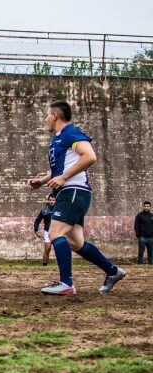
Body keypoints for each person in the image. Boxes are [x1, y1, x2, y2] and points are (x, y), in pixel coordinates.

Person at [27, 100, 125, 295]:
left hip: (73, 191)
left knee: (55, 234)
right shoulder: (57, 139)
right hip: (71, 191)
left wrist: (63, 178)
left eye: (47, 115)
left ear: (55, 115)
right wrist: (43, 181)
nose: (46, 119)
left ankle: (66, 284)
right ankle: (113, 271)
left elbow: (90, 156)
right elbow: (60, 168)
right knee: (76, 243)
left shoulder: (70, 132)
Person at [34, 194, 56, 266]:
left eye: (53, 200)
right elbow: (37, 220)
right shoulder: (44, 210)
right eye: (50, 200)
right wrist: (36, 230)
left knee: (60, 249)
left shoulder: (59, 209)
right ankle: (44, 266)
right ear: (48, 200)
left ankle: (62, 265)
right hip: (47, 232)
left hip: (58, 232)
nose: (52, 201)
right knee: (47, 248)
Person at [134, 200, 153, 265]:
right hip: (142, 237)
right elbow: (136, 226)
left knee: (150, 252)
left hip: (151, 238)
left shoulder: (152, 216)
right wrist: (138, 235)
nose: (146, 207)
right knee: (141, 252)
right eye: (145, 206)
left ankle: (150, 263)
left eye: (148, 206)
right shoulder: (139, 216)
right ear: (143, 207)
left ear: (150, 207)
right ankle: (140, 264)